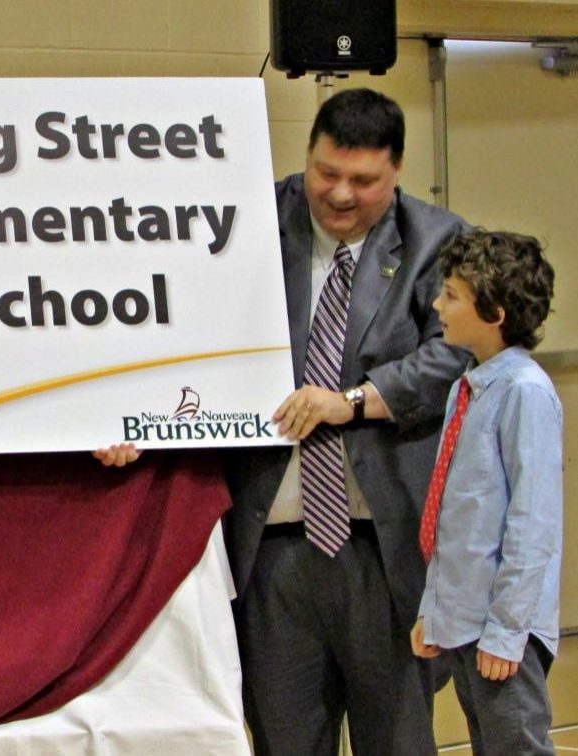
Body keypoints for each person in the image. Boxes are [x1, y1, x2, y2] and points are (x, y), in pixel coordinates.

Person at [221, 88, 469, 754]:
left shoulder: (437, 242)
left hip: (382, 548)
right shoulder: (247, 221)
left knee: (398, 739)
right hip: (272, 546)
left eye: (363, 181)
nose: (338, 193)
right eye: (325, 172)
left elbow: (454, 353)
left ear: (396, 171)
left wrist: (354, 400)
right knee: (284, 739)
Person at [411, 230, 560, 755]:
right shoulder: (467, 386)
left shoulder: (524, 390)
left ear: (494, 313)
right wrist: (433, 610)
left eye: (451, 294)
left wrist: (507, 631)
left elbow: (533, 523)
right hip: (465, 621)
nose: (437, 305)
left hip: (502, 629)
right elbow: (455, 515)